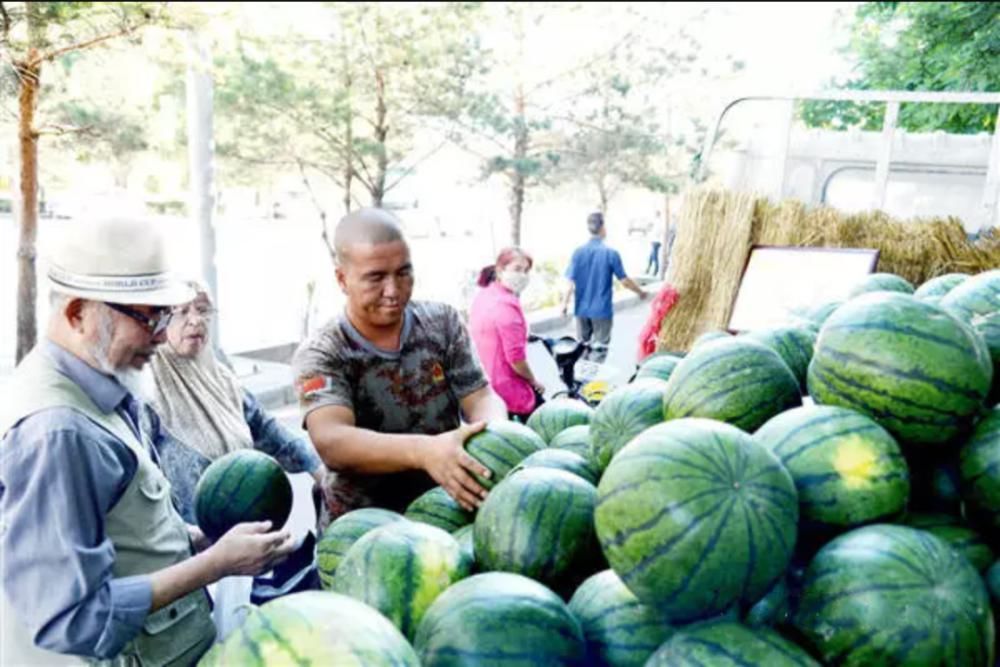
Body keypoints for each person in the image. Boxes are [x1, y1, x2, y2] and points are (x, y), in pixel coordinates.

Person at [0, 218, 294, 665]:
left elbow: (121, 527)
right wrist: (217, 565)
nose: (162, 335)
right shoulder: (57, 432)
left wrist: (197, 541)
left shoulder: (104, 386)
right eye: (148, 317)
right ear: (78, 313)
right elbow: (73, 619)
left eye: (165, 315)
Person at [292, 208, 508, 528]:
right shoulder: (323, 351)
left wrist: (497, 438)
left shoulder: (442, 323)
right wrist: (425, 452)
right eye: (376, 277)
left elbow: (480, 397)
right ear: (342, 279)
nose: (393, 290)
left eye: (403, 272)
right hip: (363, 531)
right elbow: (332, 441)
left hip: (446, 513)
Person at [149, 281, 324, 525]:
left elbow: (270, 432)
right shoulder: (146, 391)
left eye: (202, 310)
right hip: (187, 552)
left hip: (248, 544)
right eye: (182, 311)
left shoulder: (222, 380)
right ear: (160, 318)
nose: (196, 320)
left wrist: (322, 472)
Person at [468, 247, 545, 422]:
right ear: (500, 270)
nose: (523, 275)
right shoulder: (506, 305)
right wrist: (534, 381)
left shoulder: (484, 295)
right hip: (509, 391)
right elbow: (516, 359)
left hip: (485, 383)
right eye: (517, 269)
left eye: (526, 271)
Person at [562, 211, 648, 362]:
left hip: (581, 309)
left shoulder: (578, 253)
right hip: (601, 310)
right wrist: (640, 292)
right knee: (600, 349)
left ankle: (580, 381)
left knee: (582, 347)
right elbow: (625, 281)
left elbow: (569, 282)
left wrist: (564, 304)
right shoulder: (611, 253)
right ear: (602, 228)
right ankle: (591, 382)